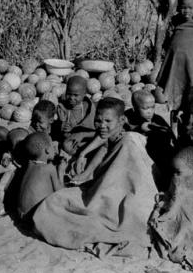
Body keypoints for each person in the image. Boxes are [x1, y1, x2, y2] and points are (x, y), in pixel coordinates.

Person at [32, 98, 159, 255]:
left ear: (121, 120)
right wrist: (84, 162)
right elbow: (104, 144)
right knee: (54, 201)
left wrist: (94, 187)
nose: (102, 125)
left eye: (107, 121)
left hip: (128, 195)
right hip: (106, 187)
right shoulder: (115, 134)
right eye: (98, 121)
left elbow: (128, 178)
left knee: (90, 212)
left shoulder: (129, 141)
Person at [156, 0, 193, 136]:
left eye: (190, 8)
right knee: (174, 94)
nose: (186, 11)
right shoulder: (175, 22)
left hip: (192, 67)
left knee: (191, 95)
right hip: (176, 66)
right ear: (178, 8)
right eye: (183, 7)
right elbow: (170, 44)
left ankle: (190, 128)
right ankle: (173, 127)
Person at [18, 132, 64, 224]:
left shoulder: (28, 164)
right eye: (53, 146)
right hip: (36, 218)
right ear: (47, 150)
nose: (55, 149)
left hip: (21, 215)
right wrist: (61, 171)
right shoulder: (50, 168)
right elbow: (60, 191)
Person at [53, 76, 96, 156]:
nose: (72, 98)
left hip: (86, 139)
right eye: (69, 94)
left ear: (84, 94)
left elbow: (94, 130)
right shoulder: (62, 108)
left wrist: (81, 134)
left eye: (76, 95)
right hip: (72, 142)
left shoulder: (89, 108)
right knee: (66, 145)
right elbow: (61, 132)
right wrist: (63, 128)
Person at [0, 128, 30, 203]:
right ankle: (0, 203)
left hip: (14, 183)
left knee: (3, 189)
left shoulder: (24, 158)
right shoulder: (9, 157)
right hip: (8, 181)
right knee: (1, 188)